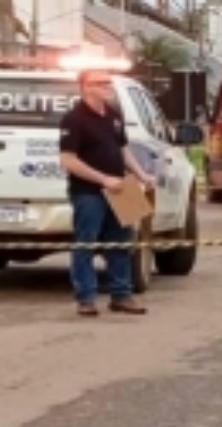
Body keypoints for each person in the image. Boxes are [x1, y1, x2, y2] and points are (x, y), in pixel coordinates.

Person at [57, 68, 155, 317]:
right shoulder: (74, 119)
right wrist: (103, 179)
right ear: (85, 87)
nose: (107, 86)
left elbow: (123, 150)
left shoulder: (113, 115)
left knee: (122, 243)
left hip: (121, 190)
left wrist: (142, 175)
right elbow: (68, 160)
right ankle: (86, 298)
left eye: (109, 82)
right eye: (101, 82)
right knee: (85, 244)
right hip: (89, 192)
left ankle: (122, 295)